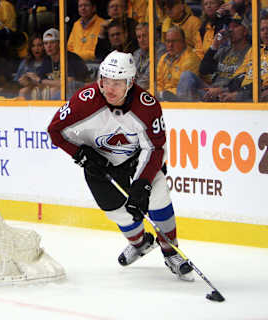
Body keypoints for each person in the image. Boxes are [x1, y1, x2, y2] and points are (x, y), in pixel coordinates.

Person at [47, 50, 194, 281]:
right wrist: (81, 153)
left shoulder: (147, 105)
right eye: (105, 80)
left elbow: (155, 148)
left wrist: (142, 183)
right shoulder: (84, 101)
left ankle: (171, 251)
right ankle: (141, 243)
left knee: (158, 196)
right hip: (100, 164)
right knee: (116, 212)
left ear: (131, 82)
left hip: (137, 161)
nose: (110, 88)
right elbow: (55, 131)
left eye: (117, 82)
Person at [176, 14, 251, 101]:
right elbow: (204, 70)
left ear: (245, 31)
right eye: (229, 27)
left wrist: (223, 90)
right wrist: (214, 46)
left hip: (230, 93)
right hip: (212, 90)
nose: (230, 30)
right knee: (187, 76)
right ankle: (182, 112)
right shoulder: (224, 51)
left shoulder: (251, 52)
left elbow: (246, 81)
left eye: (235, 27)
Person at [36, 28, 89, 100]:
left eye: (52, 42)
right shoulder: (47, 60)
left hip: (81, 92)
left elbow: (68, 83)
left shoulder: (71, 58)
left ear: (60, 43)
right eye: (46, 43)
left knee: (51, 91)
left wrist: (41, 81)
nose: (49, 46)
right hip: (62, 90)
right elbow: (39, 82)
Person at [156, 26, 200, 101]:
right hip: (164, 98)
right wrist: (159, 94)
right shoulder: (163, 58)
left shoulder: (190, 59)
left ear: (183, 42)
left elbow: (185, 89)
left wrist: (163, 94)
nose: (170, 45)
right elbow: (159, 83)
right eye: (168, 41)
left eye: (174, 41)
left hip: (182, 101)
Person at [132, 22, 166, 90]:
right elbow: (130, 76)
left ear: (152, 35)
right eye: (139, 37)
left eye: (144, 36)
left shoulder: (161, 51)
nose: (141, 40)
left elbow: (148, 79)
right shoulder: (137, 53)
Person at [13, 33, 45, 100]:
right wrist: (22, 81)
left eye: (39, 45)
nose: (36, 48)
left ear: (44, 47)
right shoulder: (25, 62)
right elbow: (15, 84)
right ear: (30, 48)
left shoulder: (48, 62)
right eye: (33, 46)